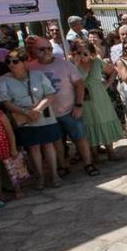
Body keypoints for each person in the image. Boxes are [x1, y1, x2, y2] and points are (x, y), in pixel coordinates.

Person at [27, 37, 95, 177]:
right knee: (56, 140)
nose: (47, 51)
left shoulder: (65, 64)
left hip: (70, 109)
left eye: (49, 48)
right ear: (34, 50)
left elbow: (79, 84)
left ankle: (88, 163)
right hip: (48, 113)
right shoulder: (30, 67)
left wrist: (79, 104)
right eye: (42, 49)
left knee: (80, 137)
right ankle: (63, 165)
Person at [0, 50, 61, 189]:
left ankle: (55, 174)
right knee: (34, 147)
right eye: (8, 62)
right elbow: (5, 101)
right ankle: (40, 177)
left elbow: (50, 94)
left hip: (43, 113)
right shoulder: (3, 79)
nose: (11, 64)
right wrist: (26, 112)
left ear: (25, 62)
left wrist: (37, 110)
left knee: (49, 144)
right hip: (22, 116)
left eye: (15, 61)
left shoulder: (38, 75)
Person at [71, 42, 125, 162]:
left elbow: (113, 71)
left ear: (91, 52)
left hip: (100, 95)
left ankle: (111, 151)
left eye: (85, 52)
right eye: (78, 52)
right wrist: (76, 63)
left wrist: (107, 84)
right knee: (89, 123)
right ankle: (94, 154)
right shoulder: (72, 65)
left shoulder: (97, 62)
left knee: (104, 119)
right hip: (83, 98)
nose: (82, 55)